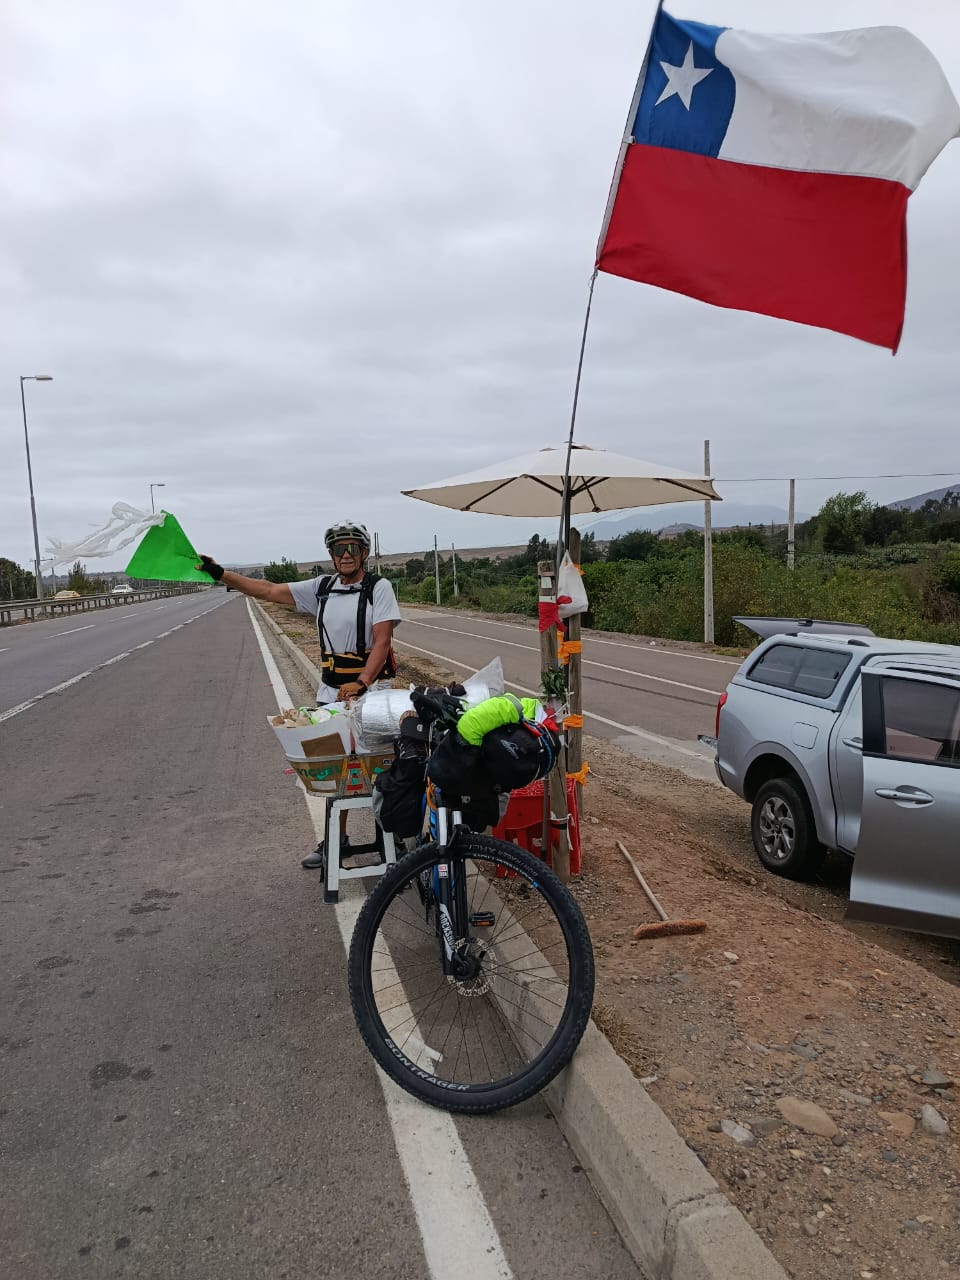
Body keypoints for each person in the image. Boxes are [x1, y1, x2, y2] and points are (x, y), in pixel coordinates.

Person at [197, 520, 401, 869]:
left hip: (372, 691)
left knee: (380, 770)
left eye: (353, 548)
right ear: (332, 555)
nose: (347, 554)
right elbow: (268, 590)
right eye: (340, 549)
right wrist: (221, 574)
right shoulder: (323, 587)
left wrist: (363, 682)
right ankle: (334, 842)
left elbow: (383, 641)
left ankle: (393, 838)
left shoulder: (378, 588)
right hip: (332, 691)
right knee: (336, 771)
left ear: (365, 553)